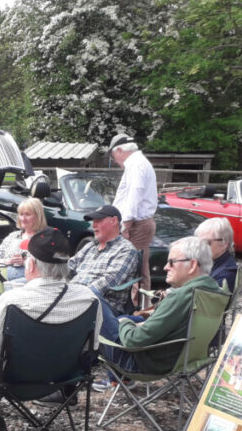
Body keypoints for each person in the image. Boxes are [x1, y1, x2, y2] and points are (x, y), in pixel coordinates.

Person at [0, 227, 97, 416]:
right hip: (63, 378)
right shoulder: (89, 298)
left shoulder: (12, 300)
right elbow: (91, 349)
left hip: (15, 380)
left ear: (30, 265)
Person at [99, 236, 224, 376]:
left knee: (93, 297)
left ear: (193, 265)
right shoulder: (215, 293)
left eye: (172, 262)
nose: (166, 267)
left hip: (143, 364)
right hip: (181, 360)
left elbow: (133, 341)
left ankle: (78, 375)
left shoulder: (181, 297)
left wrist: (125, 323)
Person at [108, 133, 158, 297]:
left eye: (113, 155)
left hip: (137, 224)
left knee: (135, 269)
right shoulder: (137, 163)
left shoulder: (136, 164)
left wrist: (126, 225)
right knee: (138, 268)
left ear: (120, 150)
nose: (114, 160)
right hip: (138, 223)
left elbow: (135, 195)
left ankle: (139, 308)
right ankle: (140, 306)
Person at [67, 204, 140, 315]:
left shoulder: (126, 250)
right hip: (73, 299)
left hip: (100, 306)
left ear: (114, 221)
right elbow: (68, 266)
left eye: (98, 221)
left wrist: (73, 294)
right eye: (93, 221)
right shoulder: (90, 246)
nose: (94, 226)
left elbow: (110, 281)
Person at [0, 197, 47, 281]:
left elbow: (51, 268)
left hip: (28, 281)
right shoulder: (13, 236)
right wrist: (7, 261)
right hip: (3, 276)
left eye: (27, 214)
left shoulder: (45, 238)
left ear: (38, 216)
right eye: (21, 214)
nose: (23, 218)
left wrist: (26, 263)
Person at [194, 217, 238, 292]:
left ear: (224, 244)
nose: (200, 247)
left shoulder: (225, 276)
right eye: (198, 242)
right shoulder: (211, 262)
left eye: (205, 242)